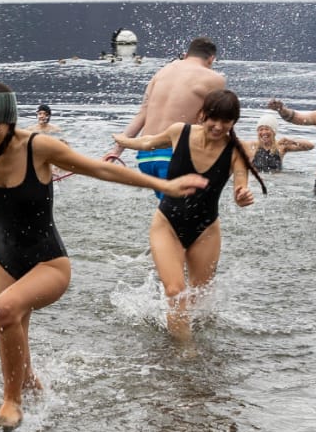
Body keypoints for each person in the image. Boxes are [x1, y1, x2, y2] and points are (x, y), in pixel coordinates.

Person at [0, 80, 208, 432]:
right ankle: (31, 387)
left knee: (5, 309)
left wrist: (165, 186)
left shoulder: (39, 147)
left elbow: (102, 169)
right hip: (4, 261)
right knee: (9, 327)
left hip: (49, 262)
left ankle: (11, 403)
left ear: (10, 122)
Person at [113, 89, 265, 336]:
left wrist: (243, 196)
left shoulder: (237, 150)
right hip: (167, 224)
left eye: (226, 121)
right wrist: (121, 141)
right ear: (202, 115)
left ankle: (189, 336)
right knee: (174, 291)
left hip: (205, 230)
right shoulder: (179, 132)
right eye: (213, 119)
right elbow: (148, 142)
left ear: (234, 122)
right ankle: (185, 354)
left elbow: (241, 186)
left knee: (199, 300)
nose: (218, 126)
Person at [111, 38, 226, 199]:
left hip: (145, 157)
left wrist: (116, 152)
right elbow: (218, 124)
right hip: (173, 156)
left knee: (171, 215)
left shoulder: (162, 72)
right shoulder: (214, 78)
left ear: (186, 55)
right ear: (211, 59)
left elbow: (142, 114)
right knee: (190, 217)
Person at [250, 115, 315, 174]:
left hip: (277, 182)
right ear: (257, 132)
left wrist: (292, 141)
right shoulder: (252, 146)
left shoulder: (281, 147)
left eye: (267, 129)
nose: (264, 132)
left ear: (274, 132)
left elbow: (310, 146)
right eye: (261, 129)